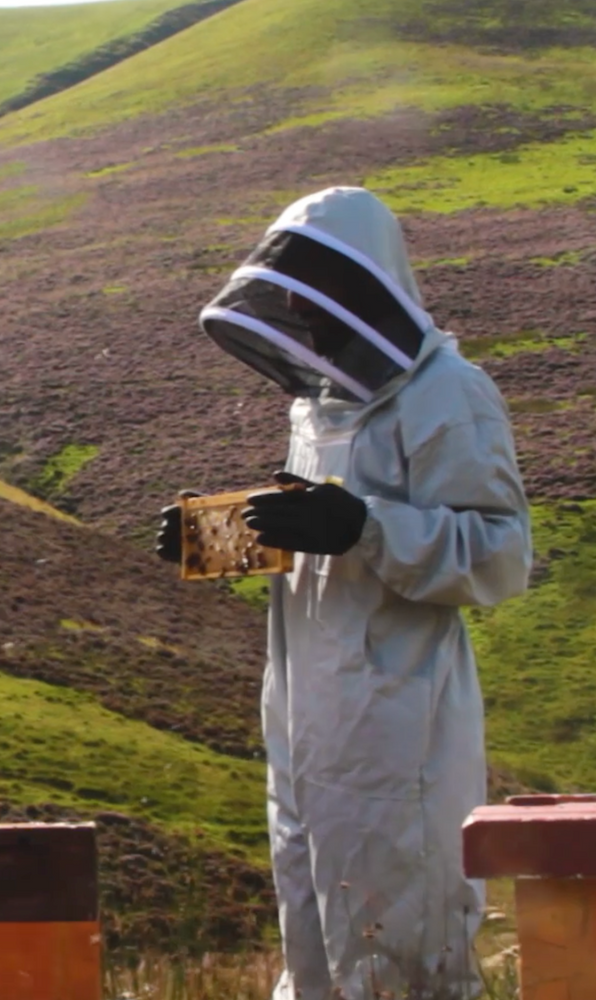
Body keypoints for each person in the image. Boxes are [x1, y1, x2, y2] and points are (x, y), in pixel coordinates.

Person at [156, 186, 531, 999]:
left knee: (402, 934)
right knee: (314, 925)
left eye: (314, 296)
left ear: (365, 289)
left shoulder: (448, 394)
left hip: (400, 715)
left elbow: (500, 554)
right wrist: (221, 537)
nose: (301, 314)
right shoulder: (318, 404)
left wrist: (363, 526)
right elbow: (320, 528)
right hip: (305, 704)